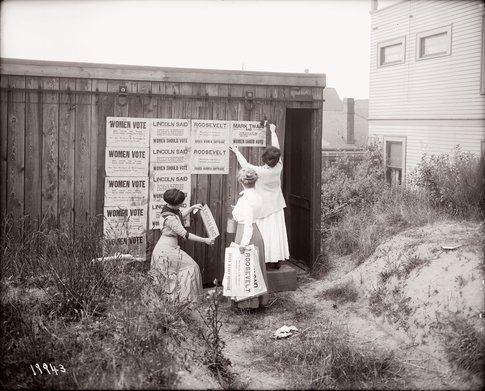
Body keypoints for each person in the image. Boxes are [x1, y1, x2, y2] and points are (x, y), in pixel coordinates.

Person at [229, 122, 289, 269]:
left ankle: (265, 260)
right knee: (277, 234)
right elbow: (277, 149)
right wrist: (273, 132)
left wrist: (236, 151)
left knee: (265, 234)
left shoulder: (261, 172)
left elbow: (246, 166)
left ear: (264, 160)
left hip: (263, 209)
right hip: (277, 206)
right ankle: (277, 260)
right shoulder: (279, 166)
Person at [150, 188, 214, 302]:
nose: (181, 205)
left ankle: (181, 300)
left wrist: (192, 207)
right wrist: (205, 240)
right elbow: (186, 234)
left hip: (168, 247)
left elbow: (179, 217)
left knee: (184, 270)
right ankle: (187, 300)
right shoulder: (169, 218)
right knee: (191, 267)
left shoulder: (168, 211)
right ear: (175, 204)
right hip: (166, 250)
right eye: (180, 203)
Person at [231, 167, 269, 309]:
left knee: (246, 267)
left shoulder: (245, 199)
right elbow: (257, 215)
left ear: (241, 181)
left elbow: (247, 223)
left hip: (246, 233)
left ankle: (248, 303)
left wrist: (243, 243)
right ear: (255, 181)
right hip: (256, 231)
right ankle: (258, 300)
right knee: (254, 267)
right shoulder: (257, 196)